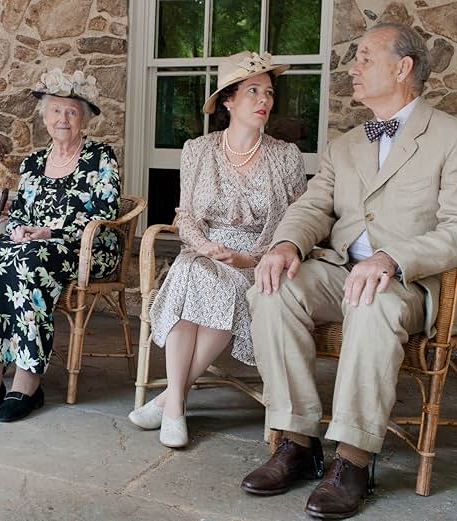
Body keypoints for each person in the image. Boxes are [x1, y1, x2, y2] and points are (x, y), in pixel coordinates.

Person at [240, 23, 457, 519]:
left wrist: (393, 258)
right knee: (272, 289)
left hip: (413, 284)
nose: (351, 68)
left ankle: (353, 459)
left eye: (363, 57)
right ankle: (296, 440)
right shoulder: (345, 143)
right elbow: (314, 205)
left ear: (403, 68)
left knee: (371, 300)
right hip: (340, 269)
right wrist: (287, 243)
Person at [127, 52, 307, 447]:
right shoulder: (198, 149)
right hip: (203, 249)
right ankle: (175, 405)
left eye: (269, 93)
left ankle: (171, 400)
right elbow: (186, 214)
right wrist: (207, 246)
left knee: (218, 284)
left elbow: (298, 222)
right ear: (228, 100)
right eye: (253, 91)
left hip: (257, 261)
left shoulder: (285, 156)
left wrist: (248, 258)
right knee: (192, 271)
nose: (265, 101)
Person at [0, 68, 121, 423]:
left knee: (30, 262)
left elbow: (105, 211)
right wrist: (18, 231)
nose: (63, 118)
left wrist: (47, 233)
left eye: (72, 112)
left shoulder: (101, 157)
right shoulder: (33, 163)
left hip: (86, 248)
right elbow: (20, 214)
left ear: (83, 119)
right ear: (44, 116)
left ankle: (28, 382)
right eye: (56, 111)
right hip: (36, 247)